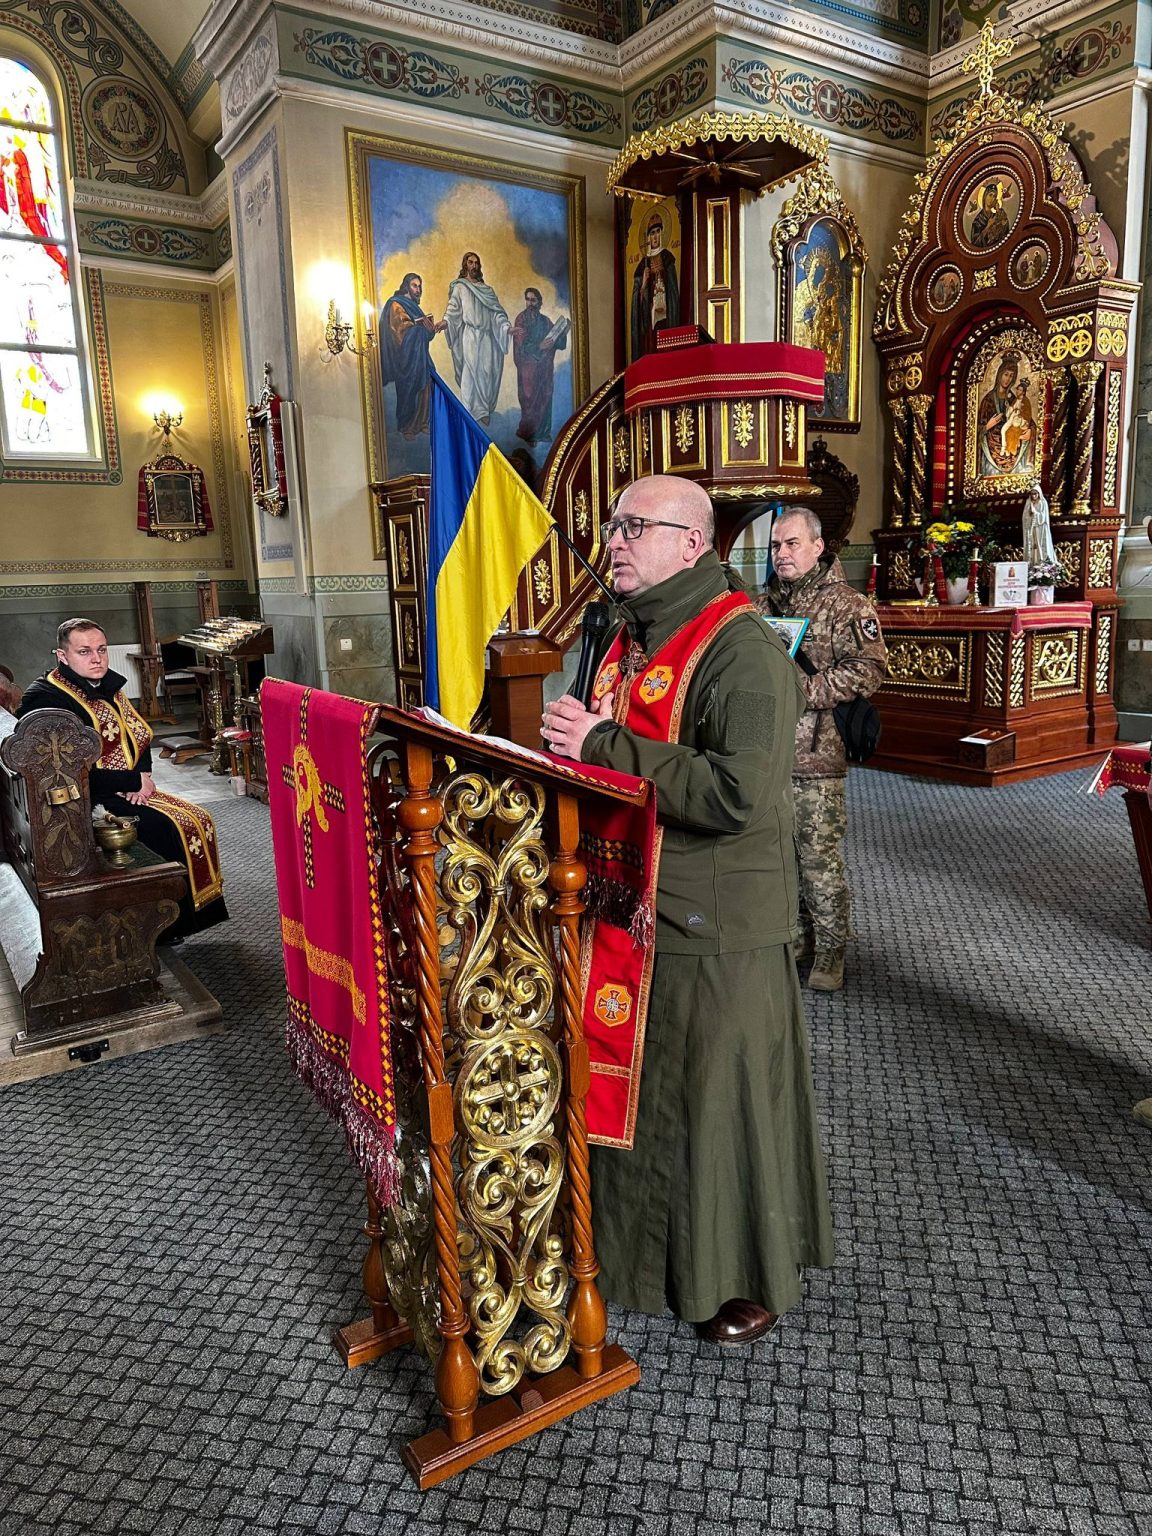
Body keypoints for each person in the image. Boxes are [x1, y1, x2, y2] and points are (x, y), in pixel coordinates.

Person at [542, 476, 833, 1346]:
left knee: (717, 1107)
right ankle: (639, 1257)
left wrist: (602, 744)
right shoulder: (629, 635)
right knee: (650, 1097)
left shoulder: (743, 651)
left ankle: (746, 1274)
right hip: (635, 903)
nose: (615, 541)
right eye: (613, 524)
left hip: (718, 919)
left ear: (693, 543)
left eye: (636, 526)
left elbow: (739, 793)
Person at [17, 619, 228, 941]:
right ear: (62, 656)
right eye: (84, 651)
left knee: (196, 817)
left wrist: (142, 776)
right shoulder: (47, 699)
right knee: (164, 827)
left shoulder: (106, 686)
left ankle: (183, 919)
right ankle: (164, 926)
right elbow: (60, 773)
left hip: (123, 786)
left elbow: (138, 734)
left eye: (101, 649)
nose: (97, 658)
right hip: (80, 800)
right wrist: (131, 782)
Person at [756, 507, 887, 993]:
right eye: (775, 545)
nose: (782, 553)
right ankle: (797, 939)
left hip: (818, 755)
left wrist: (804, 692)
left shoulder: (847, 605)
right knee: (780, 857)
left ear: (817, 547)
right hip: (768, 753)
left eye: (791, 544)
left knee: (818, 860)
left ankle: (831, 950)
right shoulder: (762, 603)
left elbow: (869, 669)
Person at [443, 251, 512, 425]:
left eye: (476, 263)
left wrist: (507, 328)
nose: (474, 266)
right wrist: (445, 322)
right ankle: (468, 411)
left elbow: (497, 314)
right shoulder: (460, 287)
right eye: (470, 262)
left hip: (487, 337)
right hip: (470, 336)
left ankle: (482, 411)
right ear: (465, 265)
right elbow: (453, 310)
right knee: (469, 373)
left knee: (485, 372)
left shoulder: (487, 290)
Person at [378, 273, 445, 439]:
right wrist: (417, 326)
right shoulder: (396, 304)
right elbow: (399, 329)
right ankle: (406, 426)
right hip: (406, 358)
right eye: (415, 286)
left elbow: (424, 335)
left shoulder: (415, 307)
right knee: (409, 388)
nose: (418, 289)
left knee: (427, 384)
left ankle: (422, 423)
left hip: (420, 356)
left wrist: (430, 329)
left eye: (419, 286)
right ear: (407, 286)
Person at [512, 287, 567, 444]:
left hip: (544, 368)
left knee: (545, 395)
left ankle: (542, 432)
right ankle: (529, 434)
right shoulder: (521, 319)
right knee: (529, 399)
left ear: (539, 302)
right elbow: (521, 343)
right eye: (528, 300)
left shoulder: (545, 321)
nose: (530, 303)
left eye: (533, 300)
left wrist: (562, 333)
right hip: (528, 368)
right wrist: (539, 346)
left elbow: (557, 342)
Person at [630, 212, 679, 360]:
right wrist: (644, 283)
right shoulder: (642, 265)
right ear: (648, 237)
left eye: (658, 232)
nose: (655, 237)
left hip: (666, 318)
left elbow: (673, 293)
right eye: (652, 233)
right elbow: (636, 301)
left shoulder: (667, 258)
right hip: (649, 321)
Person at [977, 352, 1033, 478]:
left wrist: (1030, 432)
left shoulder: (1014, 399)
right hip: (991, 448)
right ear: (999, 375)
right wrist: (987, 426)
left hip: (1012, 440)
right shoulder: (988, 399)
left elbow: (1028, 420)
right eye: (1006, 374)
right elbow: (974, 431)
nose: (1008, 379)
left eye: (1011, 376)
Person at [1022, 481, 1057, 568]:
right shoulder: (1028, 503)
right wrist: (1029, 514)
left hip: (1040, 528)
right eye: (1032, 494)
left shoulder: (1042, 503)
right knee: (1032, 546)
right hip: (1031, 528)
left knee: (1039, 545)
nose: (1033, 496)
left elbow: (1043, 517)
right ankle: (1032, 563)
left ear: (1039, 493)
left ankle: (1042, 563)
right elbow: (1025, 517)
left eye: (1035, 494)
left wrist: (1035, 513)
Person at [970, 182, 1009, 248]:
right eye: (990, 195)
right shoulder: (978, 220)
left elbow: (1006, 228)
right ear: (985, 196)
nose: (993, 199)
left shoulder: (996, 215)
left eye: (995, 196)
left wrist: (998, 210)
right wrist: (988, 227)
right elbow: (975, 243)